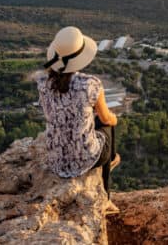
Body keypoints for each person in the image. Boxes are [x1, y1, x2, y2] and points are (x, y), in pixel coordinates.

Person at [35, 26, 121, 215]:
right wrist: (113, 119)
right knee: (107, 124)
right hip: (84, 157)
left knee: (94, 122)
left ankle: (109, 163)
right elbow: (106, 117)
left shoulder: (42, 82)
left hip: (56, 158)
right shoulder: (90, 84)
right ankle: (106, 194)